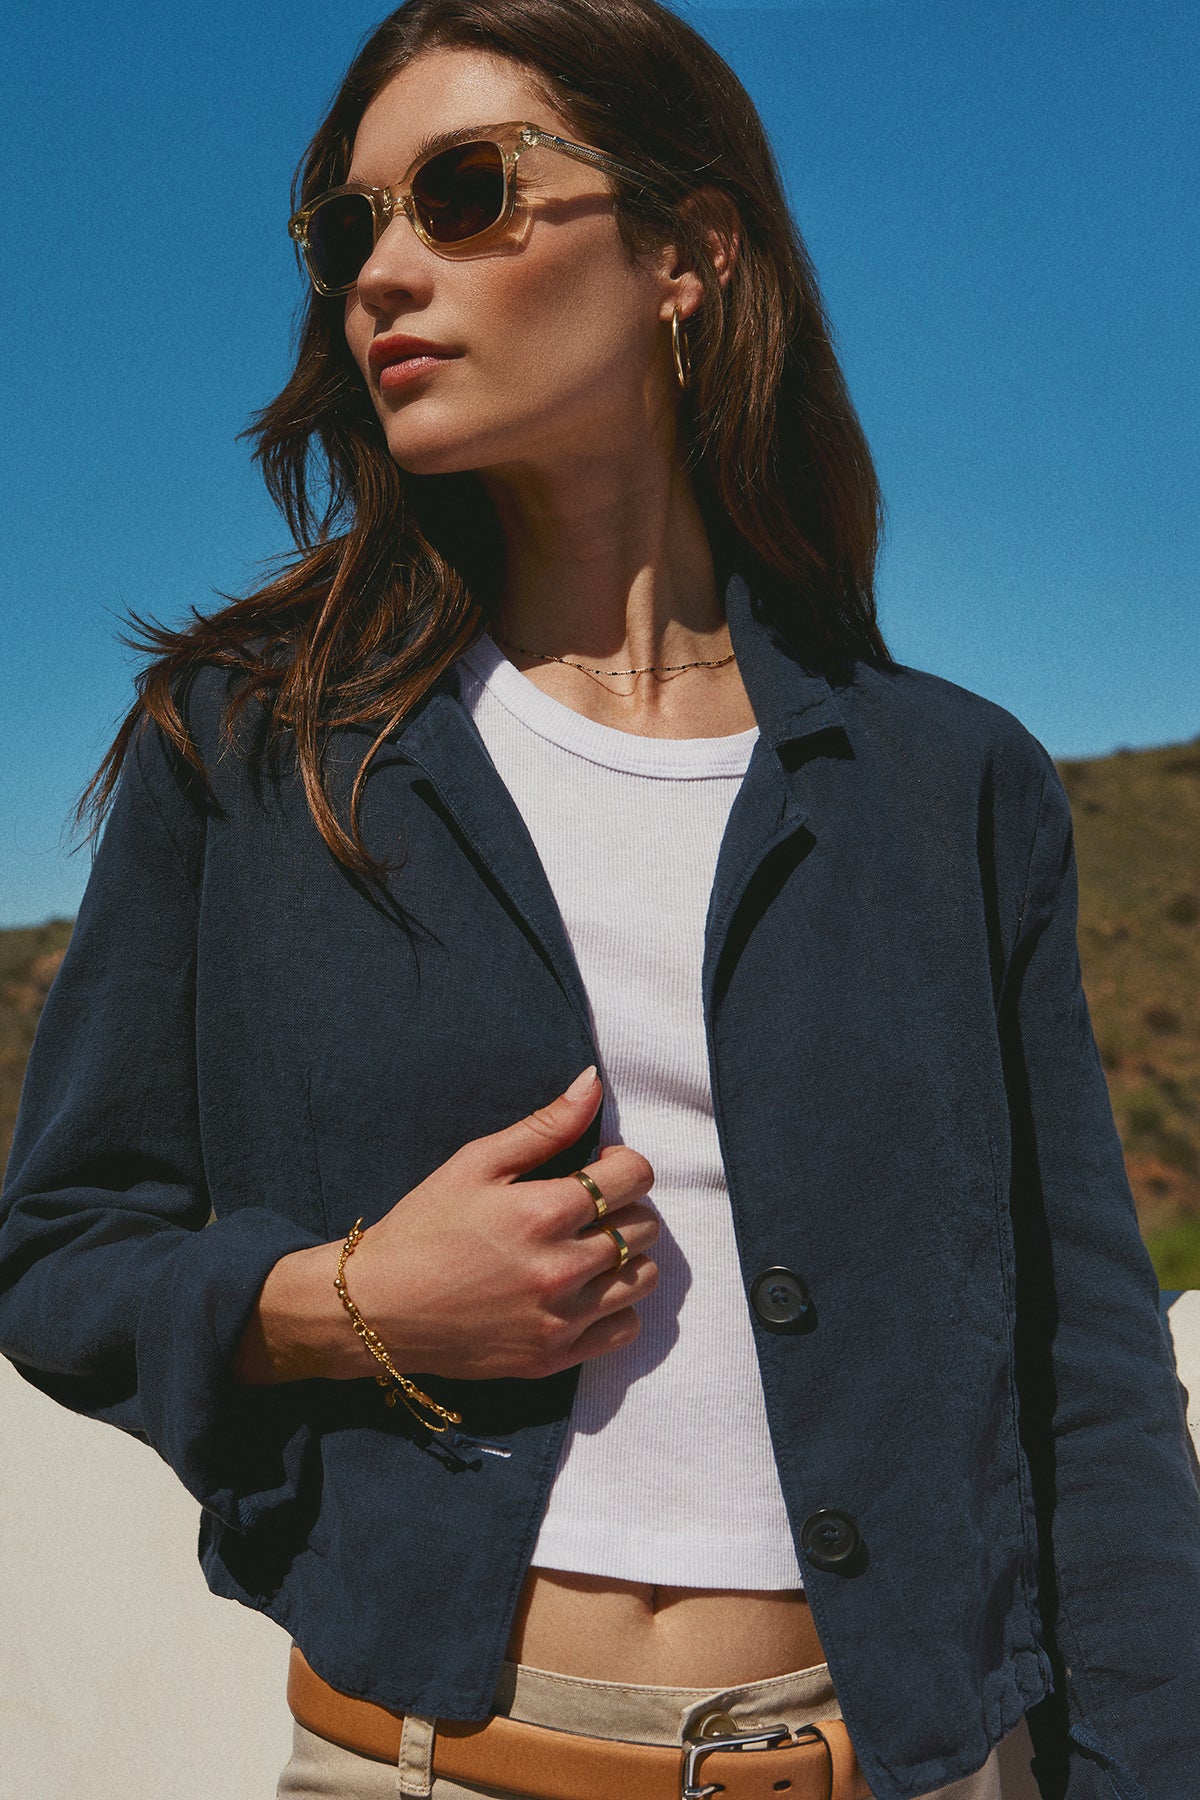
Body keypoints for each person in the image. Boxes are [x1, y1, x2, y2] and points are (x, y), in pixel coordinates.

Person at [2, 1, 1198, 1796]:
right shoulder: (252, 748)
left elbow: (1084, 1364)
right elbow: (61, 1251)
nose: (386, 272)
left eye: (465, 192)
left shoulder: (956, 781)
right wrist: (354, 1300)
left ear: (685, 254)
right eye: (351, 228)